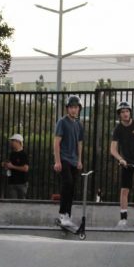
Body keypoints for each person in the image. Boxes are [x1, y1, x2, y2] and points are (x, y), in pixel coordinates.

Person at [53, 95, 84, 228]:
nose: (73, 110)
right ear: (67, 109)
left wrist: (79, 160)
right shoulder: (62, 122)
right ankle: (62, 214)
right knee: (67, 183)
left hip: (73, 160)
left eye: (76, 107)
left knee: (72, 188)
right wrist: (57, 161)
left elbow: (80, 143)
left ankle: (68, 215)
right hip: (64, 159)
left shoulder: (79, 124)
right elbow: (56, 142)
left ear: (79, 109)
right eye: (71, 107)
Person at [2, 134, 29, 199]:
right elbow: (10, 166)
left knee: (21, 204)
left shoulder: (24, 155)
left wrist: (12, 166)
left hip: (21, 183)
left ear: (18, 142)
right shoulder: (12, 154)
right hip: (12, 183)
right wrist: (6, 165)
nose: (11, 142)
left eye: (13, 141)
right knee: (12, 204)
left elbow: (25, 169)